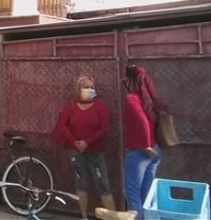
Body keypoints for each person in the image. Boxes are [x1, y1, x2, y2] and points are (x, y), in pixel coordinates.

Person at [54, 76, 116, 220]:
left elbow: (104, 127)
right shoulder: (70, 105)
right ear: (78, 89)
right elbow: (62, 125)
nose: (89, 90)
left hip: (96, 151)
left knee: (103, 183)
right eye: (86, 87)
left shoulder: (100, 106)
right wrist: (75, 142)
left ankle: (112, 216)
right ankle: (84, 216)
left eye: (91, 88)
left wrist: (87, 142)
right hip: (76, 151)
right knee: (81, 184)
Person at [123, 64, 165, 219]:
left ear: (129, 80)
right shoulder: (150, 99)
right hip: (155, 151)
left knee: (133, 195)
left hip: (139, 150)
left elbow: (142, 122)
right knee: (147, 195)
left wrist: (145, 144)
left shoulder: (131, 99)